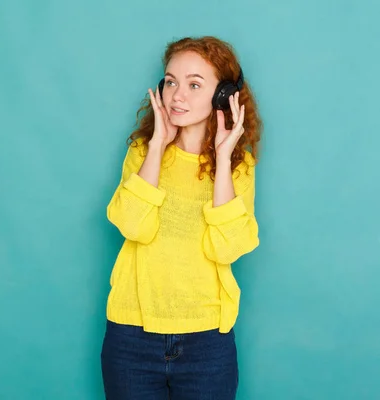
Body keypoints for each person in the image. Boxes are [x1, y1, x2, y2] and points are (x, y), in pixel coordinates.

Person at [101, 36, 263, 400]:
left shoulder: (239, 168)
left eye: (194, 85)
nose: (177, 95)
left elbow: (228, 248)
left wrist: (223, 162)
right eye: (171, 81)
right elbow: (133, 225)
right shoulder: (143, 153)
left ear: (223, 96)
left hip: (207, 342)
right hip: (131, 336)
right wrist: (158, 145)